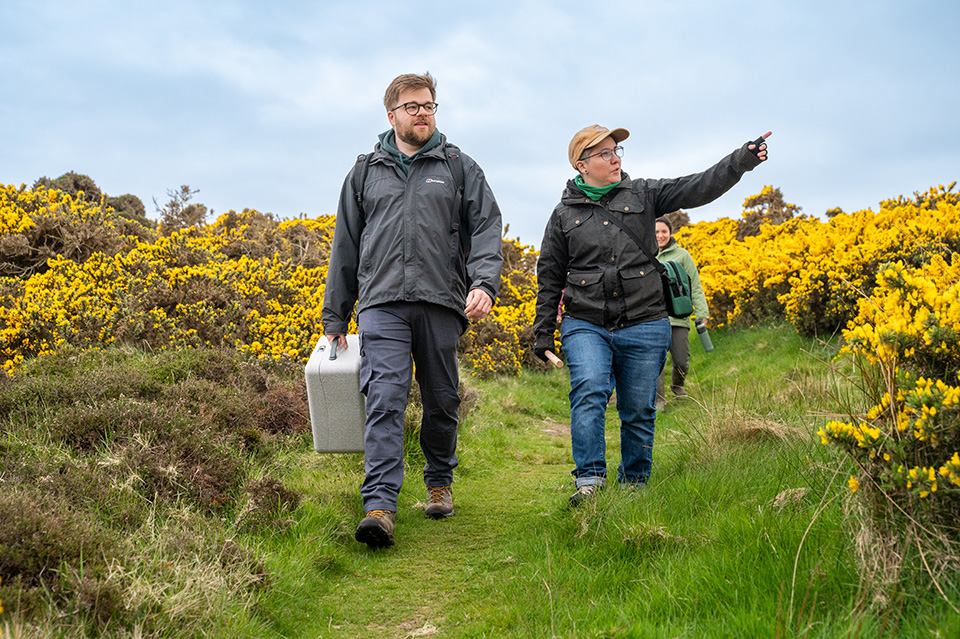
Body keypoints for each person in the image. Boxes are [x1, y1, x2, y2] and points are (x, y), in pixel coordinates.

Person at [533, 125, 769, 506]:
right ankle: (589, 481)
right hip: (585, 322)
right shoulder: (563, 215)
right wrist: (543, 332)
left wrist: (740, 160)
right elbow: (550, 275)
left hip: (646, 320)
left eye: (617, 151)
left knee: (638, 407)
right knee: (590, 390)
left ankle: (634, 485)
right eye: (605, 153)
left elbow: (698, 186)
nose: (615, 159)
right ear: (582, 164)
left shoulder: (644, 193)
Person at [322, 72, 504, 547]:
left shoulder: (459, 166)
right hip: (381, 303)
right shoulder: (365, 172)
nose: (423, 113)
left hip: (443, 300)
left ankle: (439, 480)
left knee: (442, 399)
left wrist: (484, 281)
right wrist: (335, 317)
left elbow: (486, 226)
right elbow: (346, 244)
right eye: (413, 106)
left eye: (429, 105)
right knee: (385, 398)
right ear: (391, 115)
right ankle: (380, 505)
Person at [654, 216, 710, 410]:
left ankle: (678, 385)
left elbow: (695, 284)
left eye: (664, 231)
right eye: (656, 232)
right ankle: (658, 400)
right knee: (656, 362)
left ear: (670, 233)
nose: (660, 236)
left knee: (681, 361)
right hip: (653, 318)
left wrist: (702, 312)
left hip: (678, 318)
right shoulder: (644, 255)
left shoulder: (683, 255)